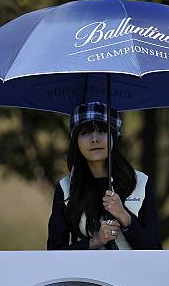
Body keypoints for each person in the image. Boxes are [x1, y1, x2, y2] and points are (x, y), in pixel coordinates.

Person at [47, 102, 162, 250]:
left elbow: (155, 249)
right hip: (84, 273)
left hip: (132, 272)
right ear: (75, 140)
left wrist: (124, 216)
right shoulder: (65, 188)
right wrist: (95, 241)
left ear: (114, 136)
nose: (94, 139)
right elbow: (54, 252)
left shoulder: (141, 182)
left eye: (102, 130)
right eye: (85, 132)